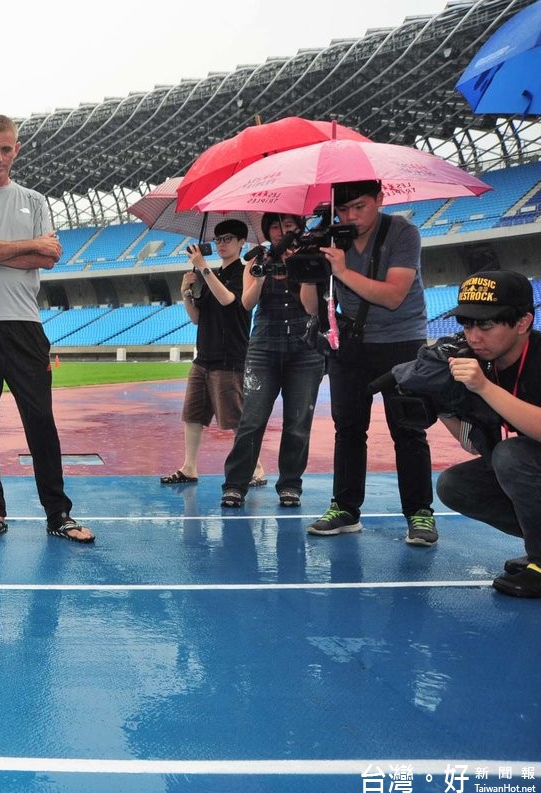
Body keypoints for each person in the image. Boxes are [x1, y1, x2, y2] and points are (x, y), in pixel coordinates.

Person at [0, 113, 93, 544]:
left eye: (6, 148)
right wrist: (26, 245)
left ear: (17, 150)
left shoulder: (35, 199)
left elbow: (49, 258)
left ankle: (58, 513)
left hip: (26, 325)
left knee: (41, 422)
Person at [306, 179, 438, 546]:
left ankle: (420, 512)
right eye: (343, 209)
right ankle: (345, 508)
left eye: (359, 207)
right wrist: (311, 271)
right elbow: (311, 307)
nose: (350, 216)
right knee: (348, 429)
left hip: (402, 341)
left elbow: (395, 295)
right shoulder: (332, 237)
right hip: (352, 345)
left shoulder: (403, 232)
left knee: (408, 429)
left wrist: (343, 271)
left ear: (380, 199)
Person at [435, 270, 541, 597]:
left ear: (522, 323)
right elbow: (475, 445)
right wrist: (439, 405)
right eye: (467, 325)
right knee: (456, 484)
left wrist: (482, 388)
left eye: (485, 325)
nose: (473, 337)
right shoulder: (485, 361)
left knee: (512, 457)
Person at [220, 212, 326, 509]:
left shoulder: (313, 257)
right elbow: (246, 303)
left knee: (297, 421)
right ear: (267, 231)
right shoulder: (256, 260)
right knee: (251, 419)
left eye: (289, 226)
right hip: (264, 347)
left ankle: (290, 484)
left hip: (305, 349)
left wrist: (301, 268)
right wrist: (265, 272)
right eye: (276, 226)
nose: (282, 231)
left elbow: (314, 307)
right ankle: (235, 484)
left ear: (299, 229)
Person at [161, 218, 262, 487]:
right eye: (218, 239)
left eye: (228, 239)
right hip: (204, 355)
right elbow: (196, 318)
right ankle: (189, 467)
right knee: (193, 414)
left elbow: (229, 301)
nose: (221, 244)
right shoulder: (211, 275)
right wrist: (186, 293)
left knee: (236, 418)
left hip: (230, 356)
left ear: (242, 243)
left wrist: (205, 269)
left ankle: (256, 467)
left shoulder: (245, 272)